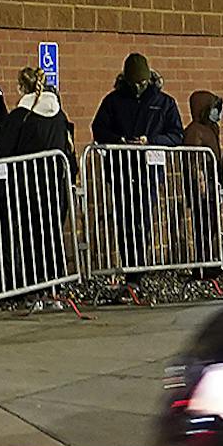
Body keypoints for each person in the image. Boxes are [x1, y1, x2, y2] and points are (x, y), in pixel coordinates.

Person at [91, 53, 184, 281]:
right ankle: (131, 267)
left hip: (148, 171)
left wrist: (150, 141)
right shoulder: (113, 101)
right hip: (121, 169)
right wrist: (120, 141)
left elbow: (176, 135)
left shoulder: (164, 102)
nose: (138, 87)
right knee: (124, 220)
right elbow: (99, 128)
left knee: (141, 218)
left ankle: (139, 268)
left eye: (141, 83)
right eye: (134, 83)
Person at [0, 67, 77, 290]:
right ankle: (55, 283)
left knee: (30, 238)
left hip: (26, 187)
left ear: (22, 88)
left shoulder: (20, 117)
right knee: (52, 234)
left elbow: (4, 149)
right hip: (55, 187)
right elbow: (69, 149)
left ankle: (34, 286)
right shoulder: (59, 115)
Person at [183, 90, 223, 273]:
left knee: (213, 222)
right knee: (203, 223)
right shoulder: (194, 131)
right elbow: (193, 158)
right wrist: (198, 179)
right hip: (201, 180)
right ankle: (203, 263)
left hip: (212, 177)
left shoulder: (212, 128)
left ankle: (211, 260)